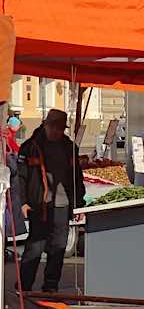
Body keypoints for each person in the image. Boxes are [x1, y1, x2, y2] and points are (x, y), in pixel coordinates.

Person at [15, 109, 85, 292]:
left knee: (59, 248)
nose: (56, 131)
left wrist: (79, 204)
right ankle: (23, 288)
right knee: (35, 249)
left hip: (63, 205)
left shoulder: (69, 147)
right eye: (53, 127)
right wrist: (22, 202)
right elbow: (20, 178)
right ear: (45, 125)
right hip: (40, 206)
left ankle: (51, 287)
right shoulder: (30, 147)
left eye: (60, 128)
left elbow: (77, 177)